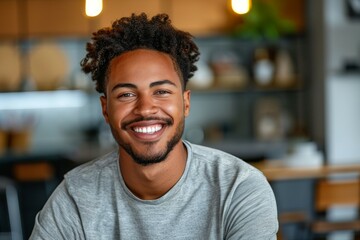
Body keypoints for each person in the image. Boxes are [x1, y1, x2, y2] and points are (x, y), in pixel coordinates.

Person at [30, 13, 278, 239]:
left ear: (185, 102)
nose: (145, 109)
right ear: (105, 109)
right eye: (126, 94)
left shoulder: (239, 189)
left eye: (161, 91)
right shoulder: (75, 198)